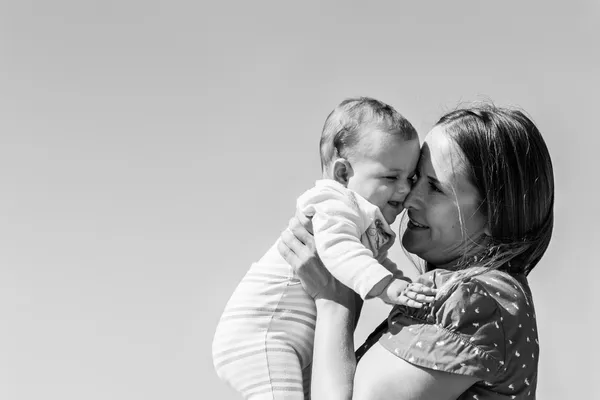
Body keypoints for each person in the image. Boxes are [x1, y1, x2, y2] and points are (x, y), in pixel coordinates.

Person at [278, 104, 554, 399]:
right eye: (414, 178)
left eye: (434, 187)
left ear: (495, 215)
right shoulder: (483, 296)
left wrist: (333, 300)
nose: (408, 198)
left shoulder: (476, 299)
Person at [212, 97, 432, 399]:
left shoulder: (361, 219)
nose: (405, 188)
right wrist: (388, 287)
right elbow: (339, 250)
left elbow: (366, 262)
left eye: (411, 177)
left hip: (294, 342)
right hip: (262, 337)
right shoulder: (333, 204)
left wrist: (399, 285)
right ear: (343, 174)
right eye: (392, 177)